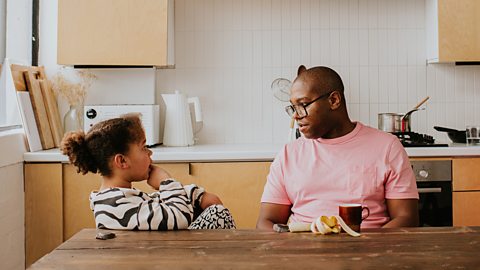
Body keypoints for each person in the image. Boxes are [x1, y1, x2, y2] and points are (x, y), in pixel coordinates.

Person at [257, 65, 419, 230]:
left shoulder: (388, 147)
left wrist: (368, 248)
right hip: (304, 251)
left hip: (370, 251)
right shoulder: (288, 154)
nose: (296, 115)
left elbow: (406, 218)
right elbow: (266, 221)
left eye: (303, 105)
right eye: (293, 107)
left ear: (334, 100)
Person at [61, 113, 235, 230]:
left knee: (212, 205)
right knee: (217, 213)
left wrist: (197, 195)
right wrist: (165, 182)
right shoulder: (114, 206)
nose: (150, 152)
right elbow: (178, 216)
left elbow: (156, 204)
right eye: (144, 147)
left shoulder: (118, 197)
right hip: (157, 261)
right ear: (122, 161)